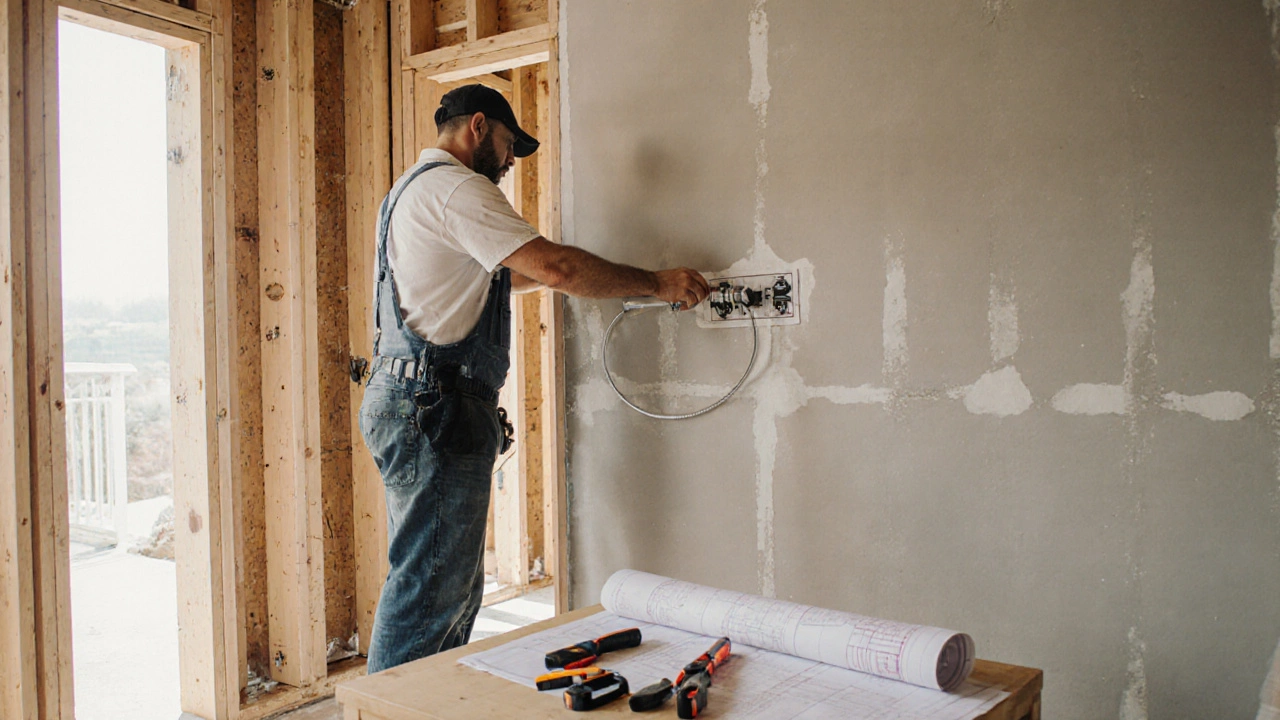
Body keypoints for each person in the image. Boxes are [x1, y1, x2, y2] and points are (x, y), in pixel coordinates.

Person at [359, 83, 709, 673]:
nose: (512, 158)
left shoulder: (407, 192)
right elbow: (552, 266)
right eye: (507, 142)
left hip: (412, 400)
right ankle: (386, 712)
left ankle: (424, 708)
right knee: (429, 593)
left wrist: (571, 272)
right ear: (477, 127)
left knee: (443, 585)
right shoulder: (456, 188)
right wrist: (653, 282)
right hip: (435, 406)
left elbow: (508, 274)